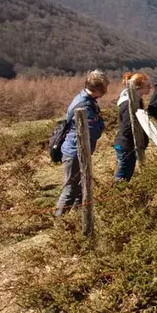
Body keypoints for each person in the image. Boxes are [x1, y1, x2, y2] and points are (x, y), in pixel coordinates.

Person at [55, 70, 109, 216]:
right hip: (75, 151)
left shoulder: (84, 99)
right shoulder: (85, 105)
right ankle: (60, 220)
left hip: (77, 150)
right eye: (104, 88)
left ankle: (79, 217)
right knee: (71, 188)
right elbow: (93, 131)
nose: (105, 91)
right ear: (98, 89)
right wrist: (100, 124)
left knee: (80, 185)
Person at [113, 72, 151, 182]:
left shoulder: (136, 101)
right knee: (123, 175)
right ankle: (116, 196)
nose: (150, 88)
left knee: (127, 173)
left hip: (129, 146)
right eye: (148, 86)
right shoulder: (128, 104)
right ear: (139, 87)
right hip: (126, 146)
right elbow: (127, 128)